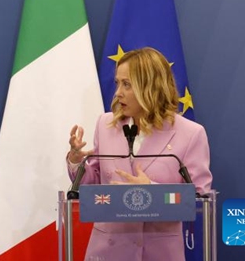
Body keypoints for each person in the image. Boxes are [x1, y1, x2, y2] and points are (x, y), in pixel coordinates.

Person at [66, 47, 212, 261]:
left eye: (127, 85)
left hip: (158, 253)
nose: (117, 93)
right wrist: (77, 162)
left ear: (150, 87)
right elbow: (93, 184)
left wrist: (151, 192)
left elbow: (200, 200)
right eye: (117, 83)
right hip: (108, 252)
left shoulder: (190, 134)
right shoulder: (106, 125)